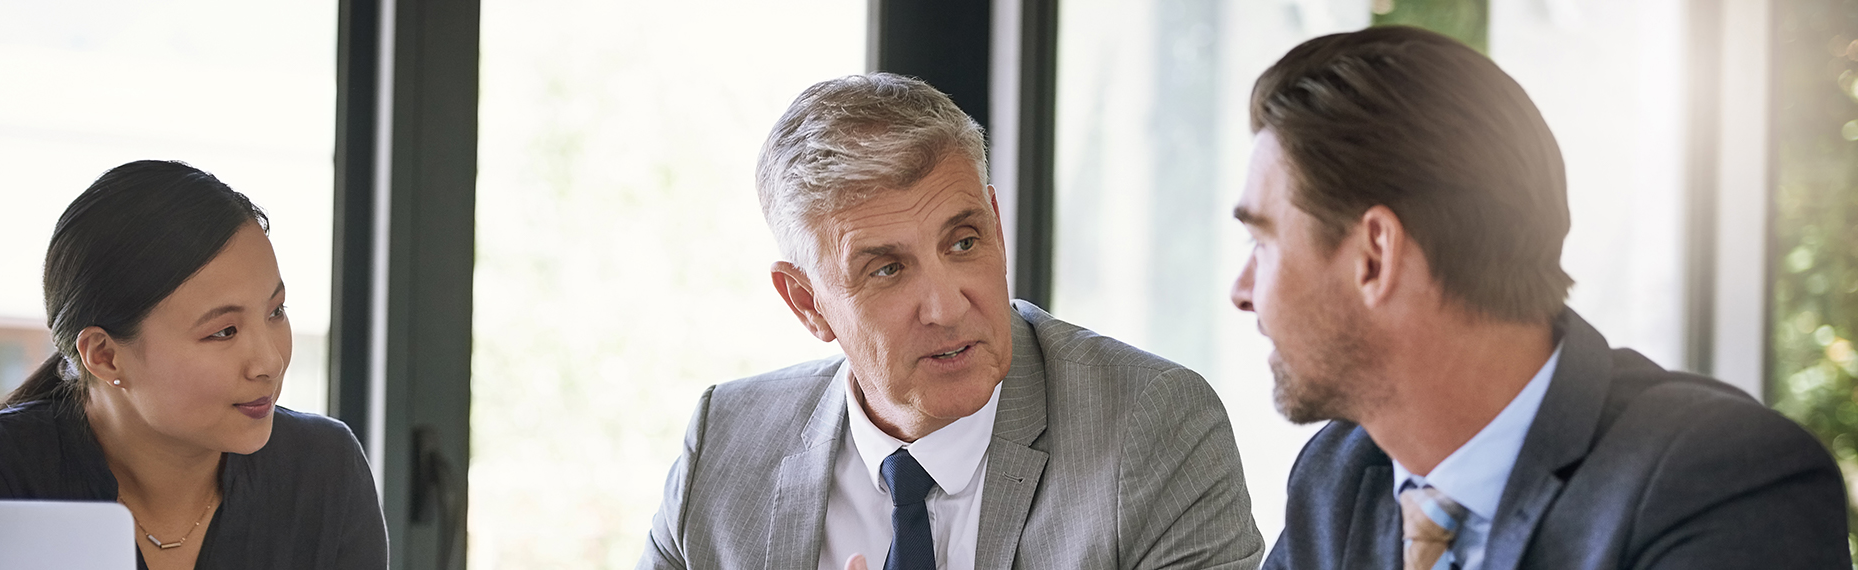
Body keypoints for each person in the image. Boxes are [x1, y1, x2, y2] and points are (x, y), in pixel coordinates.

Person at [1232, 27, 1850, 570]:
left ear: (1375, 256)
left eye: (1263, 243)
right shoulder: (1340, 477)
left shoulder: (1721, 480)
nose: (1241, 291)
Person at [639, 73, 1263, 570]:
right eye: (887, 269)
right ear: (807, 302)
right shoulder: (725, 442)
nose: (947, 307)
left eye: (964, 242)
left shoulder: (1150, 426)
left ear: (996, 223)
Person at [0, 160, 389, 570]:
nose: (270, 362)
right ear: (104, 355)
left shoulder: (325, 469)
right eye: (224, 332)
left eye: (276, 311)